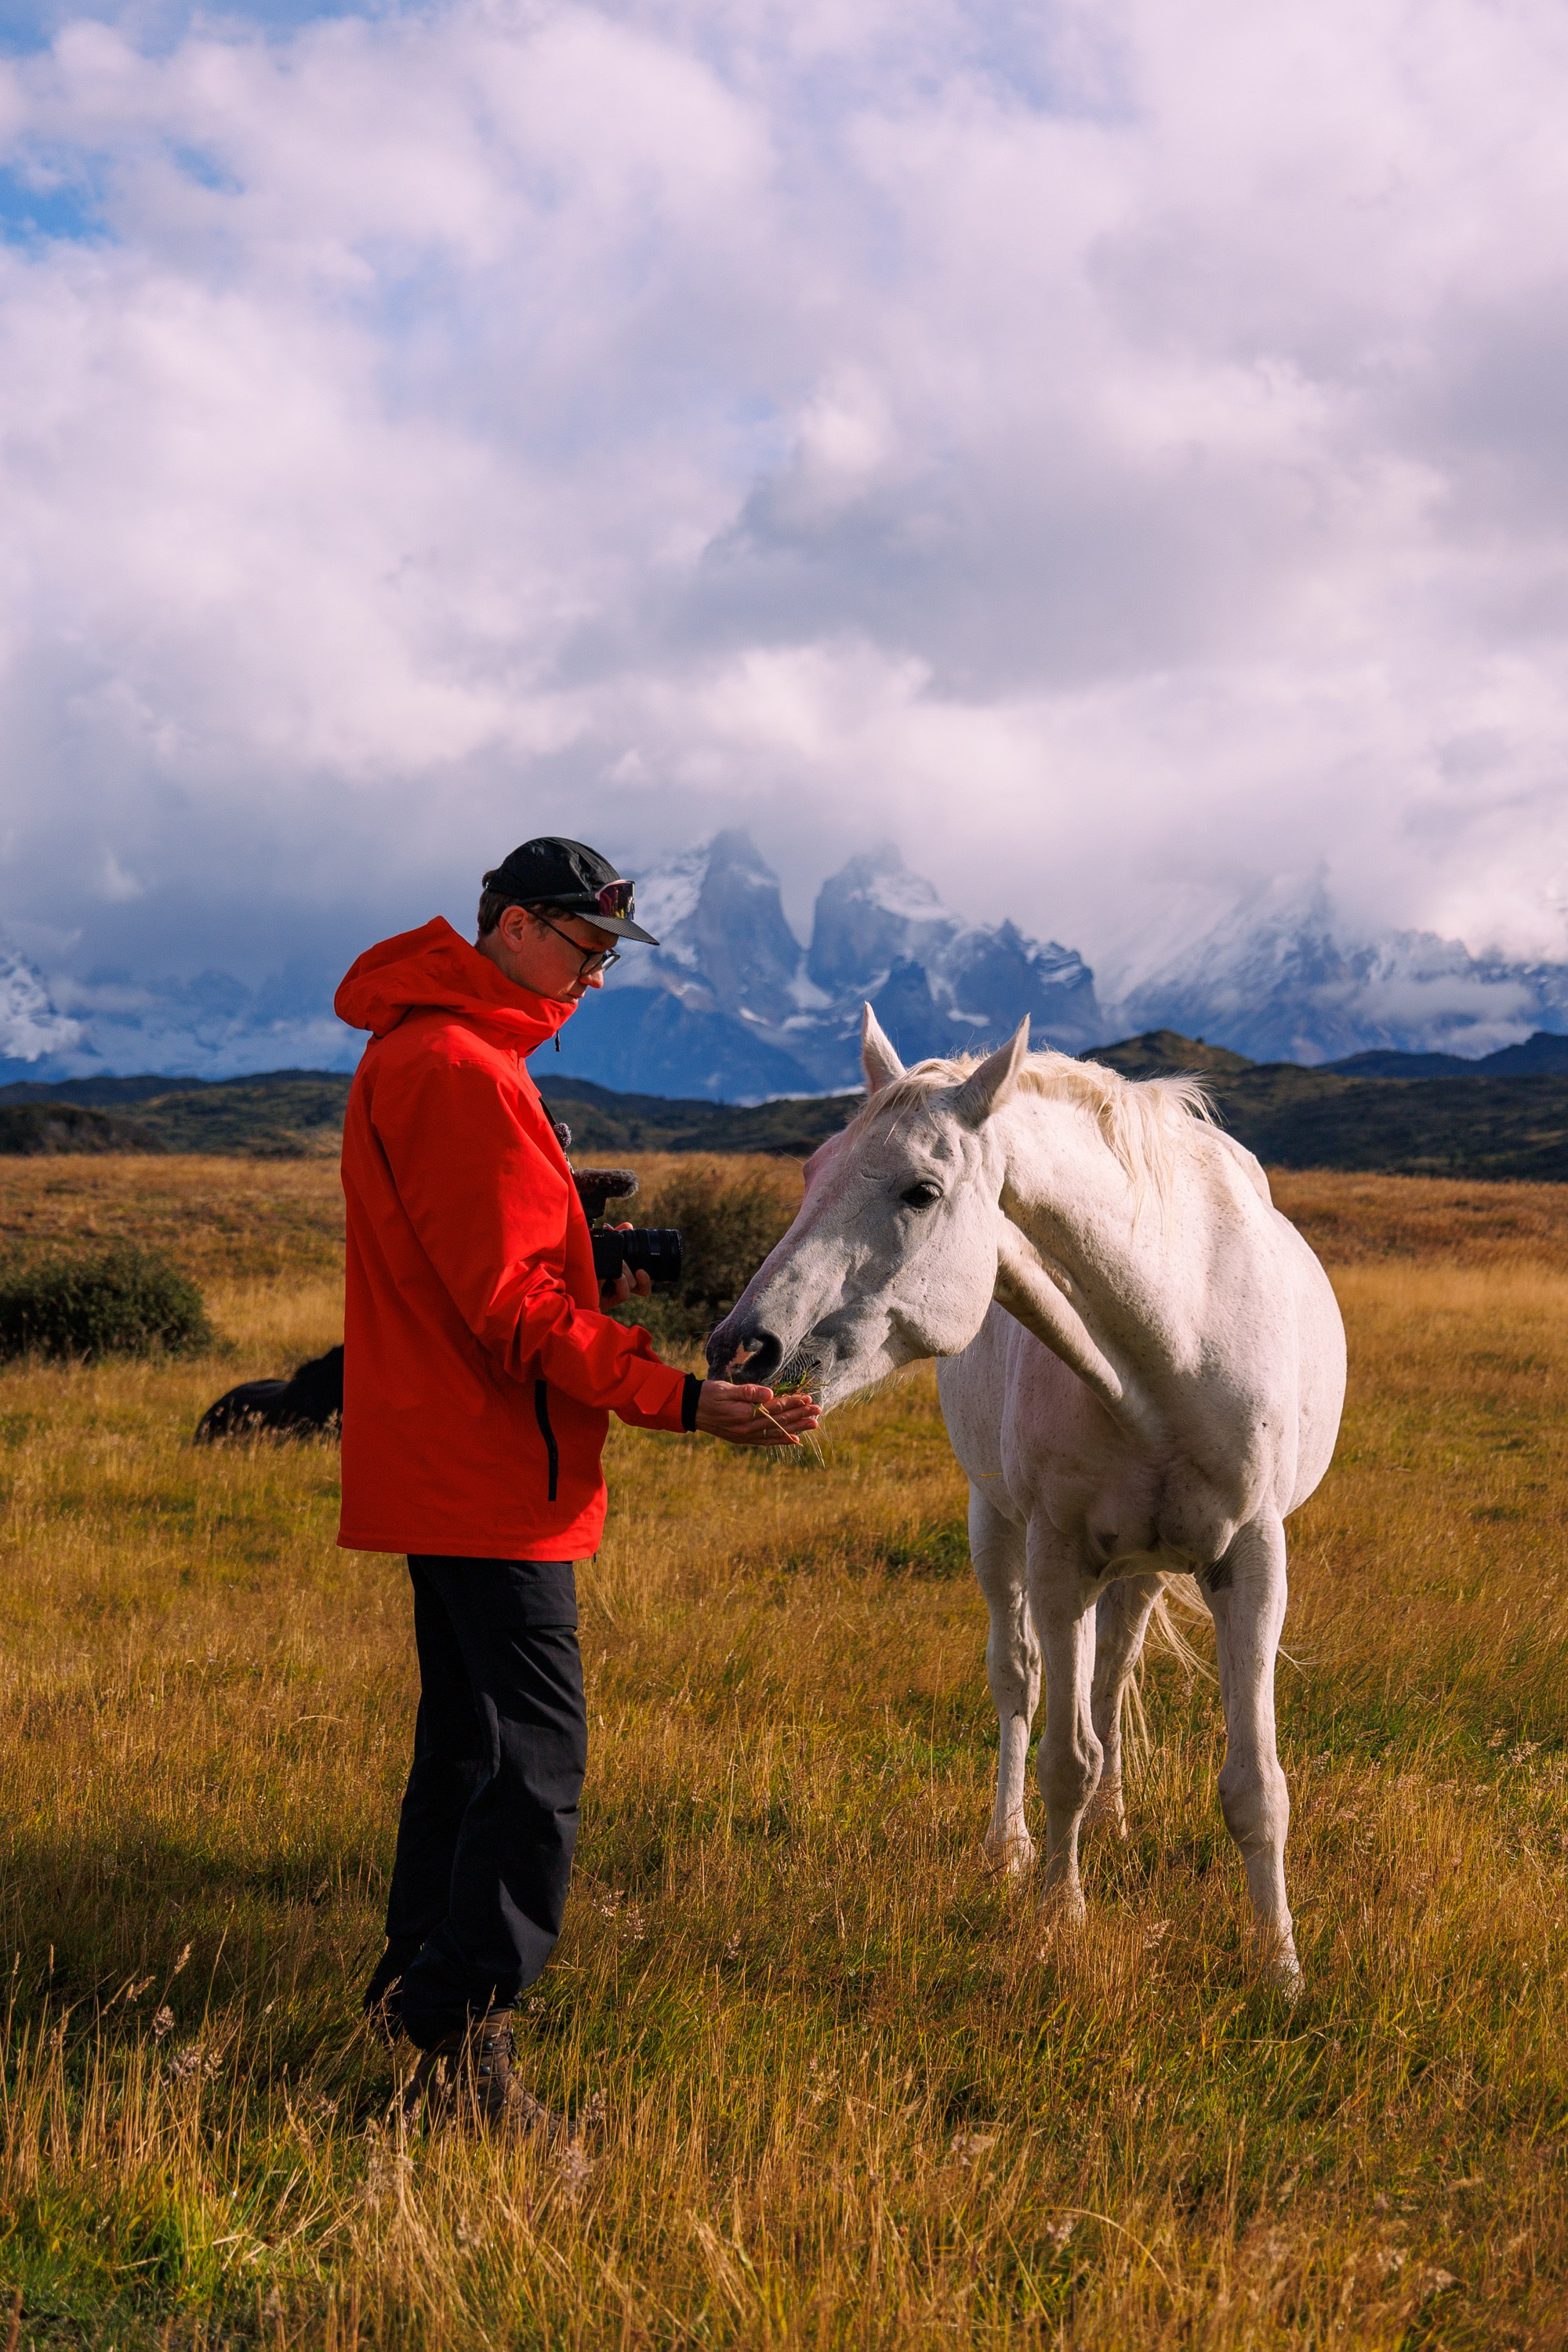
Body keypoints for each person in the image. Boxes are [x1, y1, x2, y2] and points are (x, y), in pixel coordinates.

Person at [333, 836, 818, 2128]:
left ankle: (409, 2000)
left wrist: (586, 1242)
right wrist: (681, 1398)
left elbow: (490, 1262)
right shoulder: (452, 1066)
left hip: (461, 1461)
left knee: (471, 1749)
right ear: (506, 925)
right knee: (538, 1766)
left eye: (609, 955)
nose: (599, 975)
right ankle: (464, 2035)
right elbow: (508, 1308)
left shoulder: (466, 1054)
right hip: (486, 1470)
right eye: (585, 946)